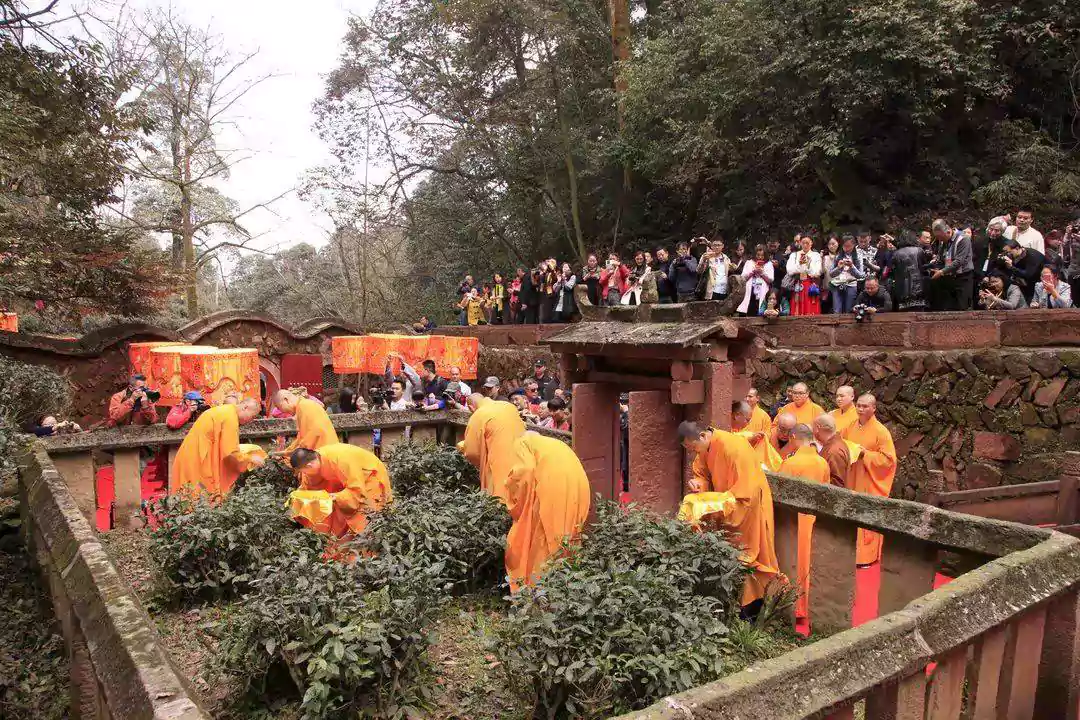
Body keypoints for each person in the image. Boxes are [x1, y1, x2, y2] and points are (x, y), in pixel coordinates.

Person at [679, 422, 780, 613]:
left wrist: (716, 503)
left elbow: (746, 492)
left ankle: (750, 611)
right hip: (726, 507)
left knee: (749, 554)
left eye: (693, 447)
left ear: (702, 436)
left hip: (748, 509)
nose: (694, 452)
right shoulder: (705, 448)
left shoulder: (734, 447)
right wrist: (698, 483)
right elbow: (702, 474)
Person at [504, 432, 591, 591]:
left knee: (544, 542)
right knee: (567, 539)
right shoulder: (554, 444)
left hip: (553, 485)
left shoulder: (522, 441)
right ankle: (569, 592)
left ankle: (537, 597)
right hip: (580, 487)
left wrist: (511, 492)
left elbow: (525, 471)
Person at [777, 423, 830, 622]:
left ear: (792, 438)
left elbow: (780, 491)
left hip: (794, 520)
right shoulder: (822, 463)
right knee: (811, 562)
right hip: (815, 519)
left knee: (793, 561)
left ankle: (794, 605)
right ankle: (809, 606)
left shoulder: (791, 463)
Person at [289, 444, 392, 537]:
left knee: (365, 517)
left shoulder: (340, 460)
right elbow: (308, 488)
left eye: (304, 472)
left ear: (309, 466)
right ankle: (336, 543)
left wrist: (336, 496)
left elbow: (357, 491)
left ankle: (368, 551)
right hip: (344, 480)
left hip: (368, 477)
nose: (304, 475)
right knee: (334, 510)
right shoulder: (313, 462)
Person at [842, 395, 897, 566]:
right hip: (851, 476)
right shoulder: (851, 425)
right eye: (858, 405)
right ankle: (848, 553)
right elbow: (841, 442)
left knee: (865, 516)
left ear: (873, 408)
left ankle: (865, 557)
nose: (860, 409)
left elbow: (889, 460)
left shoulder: (881, 431)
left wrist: (865, 454)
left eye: (865, 406)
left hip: (868, 479)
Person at [171, 399, 264, 497]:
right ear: (245, 408)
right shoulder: (230, 418)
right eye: (252, 416)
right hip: (197, 460)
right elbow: (230, 453)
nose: (251, 421)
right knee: (197, 500)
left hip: (191, 456)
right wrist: (250, 459)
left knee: (188, 498)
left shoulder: (226, 411)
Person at [273, 389, 340, 456]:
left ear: (286, 400)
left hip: (326, 452)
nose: (281, 411)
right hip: (322, 452)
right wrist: (286, 452)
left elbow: (313, 433)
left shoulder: (304, 405)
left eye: (279, 407)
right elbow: (301, 437)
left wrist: (295, 452)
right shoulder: (301, 407)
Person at [928, 219, 974, 310]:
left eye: (940, 237)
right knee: (948, 305)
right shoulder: (942, 241)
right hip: (949, 277)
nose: (939, 239)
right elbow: (941, 258)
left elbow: (959, 261)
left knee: (962, 306)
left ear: (948, 231)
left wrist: (941, 272)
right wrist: (935, 267)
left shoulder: (963, 239)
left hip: (963, 277)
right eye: (937, 237)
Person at [993, 239, 1046, 304]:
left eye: (1009, 252)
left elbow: (1028, 274)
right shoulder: (1015, 255)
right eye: (1006, 252)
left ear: (1017, 248)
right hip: (1024, 283)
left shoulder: (1032, 256)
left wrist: (1012, 267)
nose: (1008, 254)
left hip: (1038, 283)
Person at [828, 235, 866, 314]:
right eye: (844, 246)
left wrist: (852, 266)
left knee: (849, 310)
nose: (846, 249)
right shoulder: (838, 255)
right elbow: (831, 274)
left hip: (851, 284)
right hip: (837, 285)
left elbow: (861, 275)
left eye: (849, 246)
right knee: (837, 310)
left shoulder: (858, 256)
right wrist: (839, 268)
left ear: (854, 245)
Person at [786, 235, 823, 316]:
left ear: (811, 243)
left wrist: (808, 265)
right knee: (797, 308)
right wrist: (800, 265)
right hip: (797, 284)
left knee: (811, 308)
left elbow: (817, 272)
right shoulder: (794, 255)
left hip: (811, 285)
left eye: (807, 243)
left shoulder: (815, 255)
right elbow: (790, 270)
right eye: (803, 243)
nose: (805, 245)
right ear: (800, 243)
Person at [813, 413, 850, 489]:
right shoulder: (832, 444)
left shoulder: (834, 451)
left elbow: (838, 484)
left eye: (813, 427)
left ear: (817, 428)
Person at [737, 244, 774, 316]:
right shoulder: (749, 262)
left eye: (762, 255)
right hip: (750, 290)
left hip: (762, 291)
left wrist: (762, 273)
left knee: (759, 310)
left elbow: (771, 279)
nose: (760, 257)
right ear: (755, 254)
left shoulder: (768, 264)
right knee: (747, 309)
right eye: (758, 255)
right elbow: (743, 277)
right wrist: (753, 271)